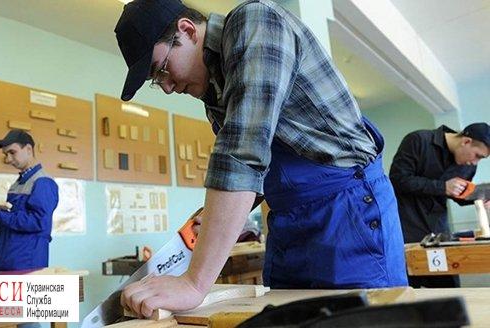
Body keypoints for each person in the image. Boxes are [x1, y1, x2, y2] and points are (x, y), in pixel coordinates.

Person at [115, 0, 407, 316]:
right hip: (288, 222)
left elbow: (243, 153)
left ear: (186, 30)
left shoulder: (254, 23)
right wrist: (211, 217)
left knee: (363, 321)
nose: (168, 87)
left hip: (346, 214)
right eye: (158, 82)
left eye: (162, 70)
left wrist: (194, 283)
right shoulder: (215, 92)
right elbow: (257, 172)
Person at [390, 123, 490, 288]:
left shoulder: (467, 165)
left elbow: (458, 194)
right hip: (406, 228)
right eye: (477, 155)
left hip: (438, 233)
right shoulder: (418, 140)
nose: (475, 162)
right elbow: (397, 179)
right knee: (409, 290)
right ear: (466, 141)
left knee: (448, 288)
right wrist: (442, 187)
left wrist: (481, 196)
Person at [0, 129, 59, 273]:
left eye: (12, 152)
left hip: (26, 263)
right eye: (6, 154)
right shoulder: (16, 185)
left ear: (28, 149)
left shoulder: (43, 182)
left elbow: (39, 221)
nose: (7, 159)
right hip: (5, 258)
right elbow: (12, 224)